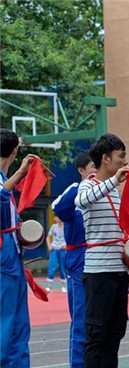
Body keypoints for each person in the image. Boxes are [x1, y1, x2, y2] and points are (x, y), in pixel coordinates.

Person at [74, 133, 129, 367]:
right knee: (97, 334)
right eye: (121, 156)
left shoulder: (114, 191)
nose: (124, 162)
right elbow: (82, 201)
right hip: (98, 271)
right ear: (106, 158)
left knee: (116, 332)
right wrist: (113, 181)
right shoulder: (88, 184)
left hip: (118, 270)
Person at [52, 151, 97, 368]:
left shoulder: (106, 193)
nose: (96, 171)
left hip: (104, 262)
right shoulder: (74, 191)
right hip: (79, 261)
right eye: (92, 167)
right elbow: (57, 208)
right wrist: (82, 186)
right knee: (81, 320)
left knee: (104, 321)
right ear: (81, 171)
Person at [0, 128, 36, 367]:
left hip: (13, 258)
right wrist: (22, 172)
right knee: (5, 323)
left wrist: (20, 229)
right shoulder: (5, 184)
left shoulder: (5, 180)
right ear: (15, 152)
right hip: (3, 259)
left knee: (20, 325)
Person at [46, 216, 67, 292]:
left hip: (63, 249)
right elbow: (48, 237)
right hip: (54, 248)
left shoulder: (66, 226)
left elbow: (71, 237)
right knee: (52, 266)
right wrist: (49, 246)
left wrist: (67, 246)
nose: (56, 218)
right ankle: (49, 286)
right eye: (55, 217)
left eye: (58, 216)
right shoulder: (53, 226)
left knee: (63, 267)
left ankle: (63, 286)